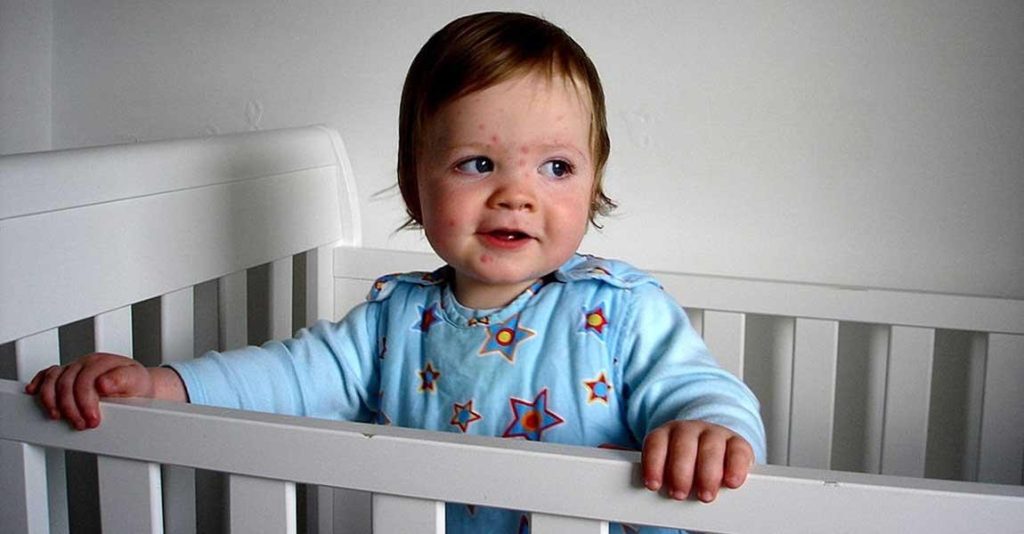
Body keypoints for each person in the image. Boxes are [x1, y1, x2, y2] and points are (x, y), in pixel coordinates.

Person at [27, 11, 766, 533]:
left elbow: (695, 385)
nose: (516, 193)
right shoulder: (393, 321)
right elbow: (288, 376)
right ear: (416, 186)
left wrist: (706, 428)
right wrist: (162, 385)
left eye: (556, 167)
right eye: (476, 163)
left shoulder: (623, 308)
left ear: (594, 182)